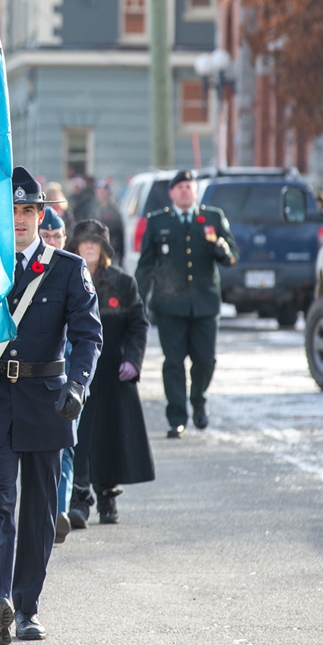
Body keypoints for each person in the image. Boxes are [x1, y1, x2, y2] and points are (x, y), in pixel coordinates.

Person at [0, 166, 102, 645]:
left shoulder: (68, 268)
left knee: (38, 512)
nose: (19, 219)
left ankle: (27, 605)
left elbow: (88, 335)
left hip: (47, 402)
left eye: (28, 211)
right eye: (11, 211)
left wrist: (77, 386)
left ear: (41, 215)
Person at [134, 170, 239, 438]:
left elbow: (232, 255)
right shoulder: (158, 222)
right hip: (170, 305)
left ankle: (199, 402)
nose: (184, 191)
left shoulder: (212, 217)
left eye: (188, 186)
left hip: (205, 303)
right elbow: (146, 265)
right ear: (171, 193)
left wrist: (222, 250)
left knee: (205, 359)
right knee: (173, 362)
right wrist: (136, 300)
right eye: (179, 187)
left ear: (195, 191)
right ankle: (176, 417)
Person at [66, 219, 154, 526]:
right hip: (77, 373)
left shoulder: (123, 282)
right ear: (75, 246)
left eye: (95, 242)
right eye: (84, 241)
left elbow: (138, 324)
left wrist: (133, 360)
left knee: (110, 437)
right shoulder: (66, 277)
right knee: (78, 437)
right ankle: (79, 499)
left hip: (113, 374)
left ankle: (107, 498)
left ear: (104, 248)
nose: (89, 246)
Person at [38, 208, 76, 541]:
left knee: (66, 446)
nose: (51, 241)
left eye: (56, 236)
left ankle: (59, 510)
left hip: (71, 377)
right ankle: (50, 510)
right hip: (40, 378)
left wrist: (80, 381)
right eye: (46, 235)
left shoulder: (71, 269)